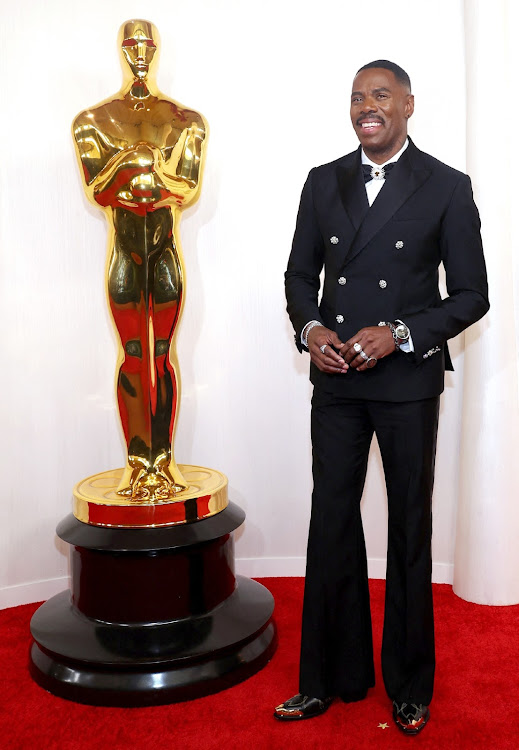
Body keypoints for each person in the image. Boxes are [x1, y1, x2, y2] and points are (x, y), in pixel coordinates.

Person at [275, 60, 489, 734]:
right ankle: (326, 679)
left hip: (404, 385)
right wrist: (310, 329)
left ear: (407, 106)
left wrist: (398, 333)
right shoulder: (322, 181)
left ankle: (409, 683)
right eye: (357, 98)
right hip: (336, 381)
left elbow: (470, 295)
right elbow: (298, 274)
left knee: (408, 527)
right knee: (329, 522)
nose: (367, 107)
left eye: (380, 96)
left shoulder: (446, 188)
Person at [72, 19, 207, 500]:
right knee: (132, 354)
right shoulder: (93, 120)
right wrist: (139, 161)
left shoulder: (185, 119)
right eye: (130, 42)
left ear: (157, 47)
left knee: (163, 355)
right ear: (120, 48)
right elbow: (98, 188)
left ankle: (163, 462)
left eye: (146, 42)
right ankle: (137, 462)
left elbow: (186, 189)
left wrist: (145, 178)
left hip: (165, 254)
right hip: (125, 254)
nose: (138, 50)